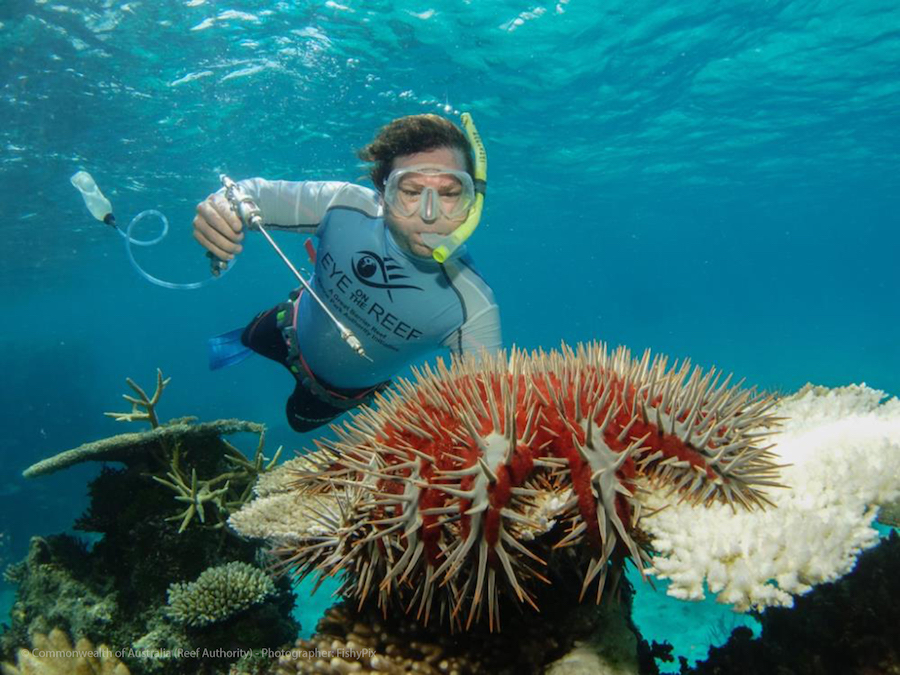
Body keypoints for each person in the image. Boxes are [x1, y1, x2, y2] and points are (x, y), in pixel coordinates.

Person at [193, 113, 502, 432]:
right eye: (410, 191)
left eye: (450, 193)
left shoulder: (474, 307)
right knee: (251, 336)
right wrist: (219, 211)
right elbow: (245, 194)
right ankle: (234, 344)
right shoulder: (344, 204)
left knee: (296, 421)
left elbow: (486, 410)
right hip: (286, 325)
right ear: (382, 192)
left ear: (473, 201)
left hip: (331, 395)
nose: (428, 214)